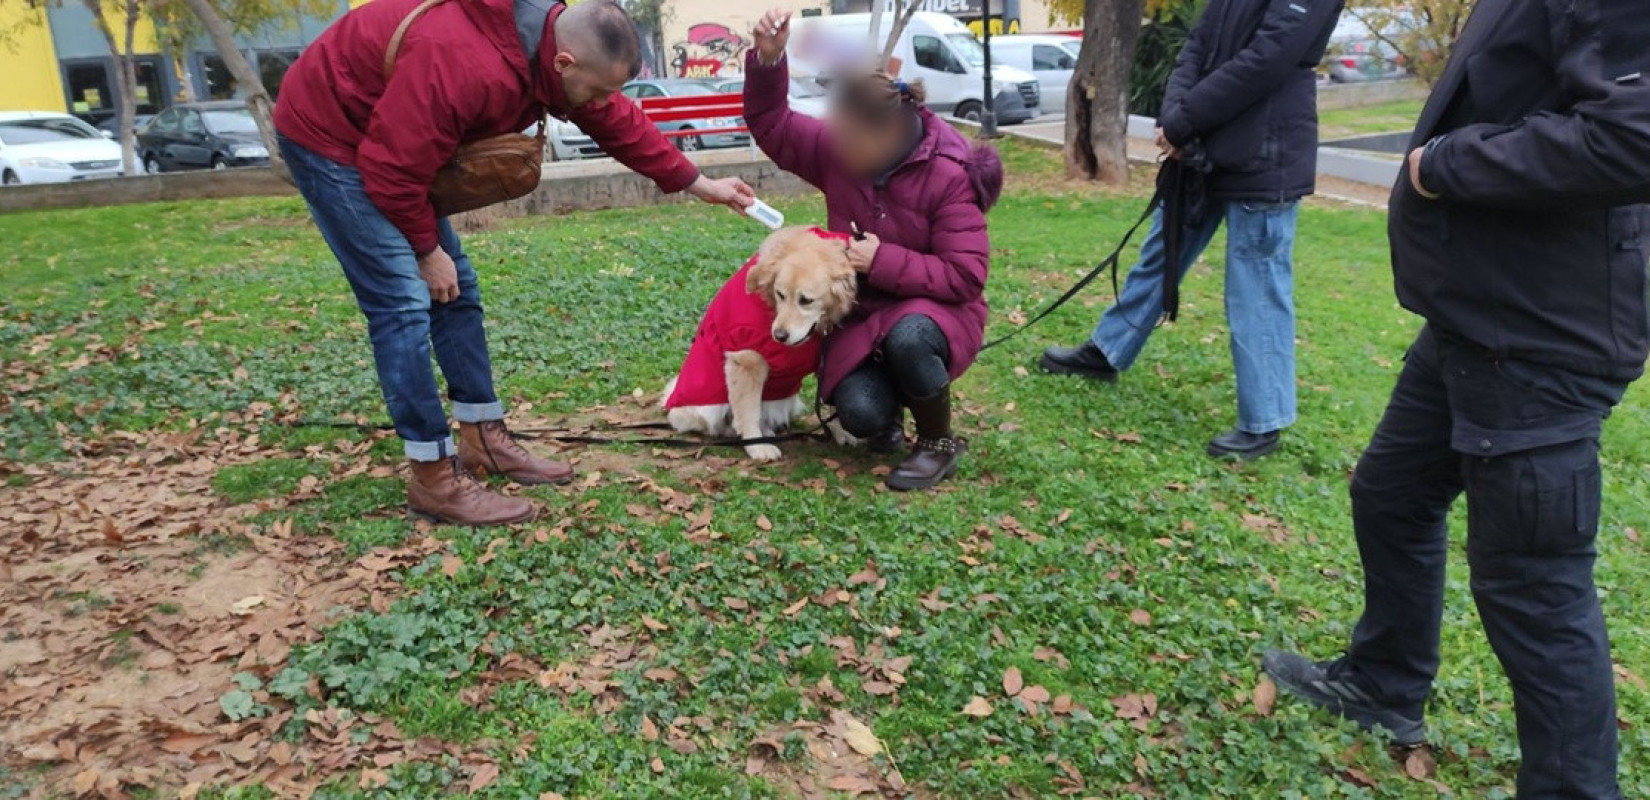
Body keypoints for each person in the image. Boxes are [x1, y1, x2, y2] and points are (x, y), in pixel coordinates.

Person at [1263, 0, 1650, 794]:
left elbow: (1632, 135)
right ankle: (1384, 682)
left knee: (1533, 588)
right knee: (1392, 495)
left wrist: (1445, 165)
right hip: (1473, 317)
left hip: (1539, 339)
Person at [273, 0, 754, 525]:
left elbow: (613, 118)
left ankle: (482, 438)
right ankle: (433, 477)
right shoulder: (464, 64)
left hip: (394, 145)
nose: (596, 101)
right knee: (404, 303)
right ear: (564, 63)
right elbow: (391, 171)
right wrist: (425, 250)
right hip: (329, 134)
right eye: (593, 88)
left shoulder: (549, 54)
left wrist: (699, 183)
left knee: (459, 290)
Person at [1039, 0, 1343, 461]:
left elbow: (1268, 59)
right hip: (1205, 145)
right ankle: (1107, 350)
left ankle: (1264, 420)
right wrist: (1176, 117)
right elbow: (1197, 45)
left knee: (1256, 284)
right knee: (1163, 248)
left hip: (1266, 150)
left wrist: (1186, 119)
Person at [744, 8, 1002, 492]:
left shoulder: (949, 171)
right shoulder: (842, 147)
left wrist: (880, 261)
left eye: (848, 138)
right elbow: (772, 125)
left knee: (909, 337)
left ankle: (937, 443)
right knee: (860, 415)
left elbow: (966, 277)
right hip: (864, 320)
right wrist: (767, 61)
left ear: (887, 132)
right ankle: (888, 412)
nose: (836, 146)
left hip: (939, 317)